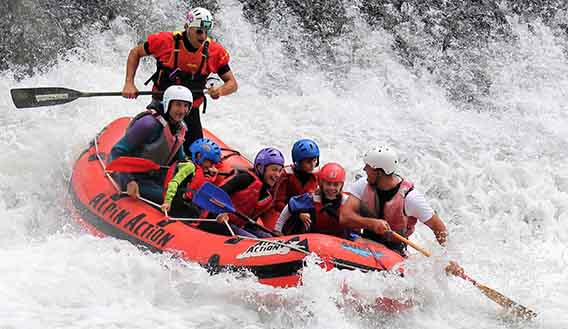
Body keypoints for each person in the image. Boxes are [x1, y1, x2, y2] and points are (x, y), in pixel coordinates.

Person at [122, 7, 238, 148]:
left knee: (194, 153)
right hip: (161, 106)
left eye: (206, 32)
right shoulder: (165, 41)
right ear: (187, 28)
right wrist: (129, 83)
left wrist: (220, 91)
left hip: (189, 111)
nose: (203, 36)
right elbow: (136, 52)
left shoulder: (214, 52)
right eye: (199, 31)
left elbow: (232, 83)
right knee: (151, 143)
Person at [340, 145, 463, 275]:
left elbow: (438, 227)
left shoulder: (411, 198)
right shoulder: (363, 184)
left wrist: (449, 259)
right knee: (356, 240)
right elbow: (345, 217)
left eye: (368, 167)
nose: (364, 169)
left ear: (379, 172)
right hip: (365, 243)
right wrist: (371, 223)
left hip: (394, 253)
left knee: (359, 242)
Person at [109, 85, 191, 203]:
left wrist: (198, 169)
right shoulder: (148, 124)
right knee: (173, 199)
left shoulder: (179, 127)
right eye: (178, 104)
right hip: (132, 176)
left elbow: (181, 159)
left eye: (186, 106)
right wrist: (129, 181)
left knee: (187, 194)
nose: (182, 110)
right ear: (168, 104)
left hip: (153, 176)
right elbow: (117, 151)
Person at [213, 147, 285, 238]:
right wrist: (221, 212)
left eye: (280, 171)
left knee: (269, 239)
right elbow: (217, 193)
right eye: (274, 170)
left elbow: (250, 222)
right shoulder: (245, 178)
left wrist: (272, 234)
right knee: (253, 240)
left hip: (236, 226)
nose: (278, 175)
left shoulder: (267, 195)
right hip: (217, 221)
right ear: (260, 168)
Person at [274, 162, 352, 239]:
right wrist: (278, 229)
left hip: (339, 242)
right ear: (321, 183)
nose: (331, 188)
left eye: (336, 185)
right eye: (328, 184)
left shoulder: (347, 201)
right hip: (314, 240)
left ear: (341, 185)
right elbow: (290, 206)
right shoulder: (312, 198)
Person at [265, 139, 320, 229]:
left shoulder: (316, 176)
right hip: (281, 212)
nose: (312, 165)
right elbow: (277, 203)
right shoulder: (285, 175)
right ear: (298, 162)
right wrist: (298, 213)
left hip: (303, 215)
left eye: (314, 160)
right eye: (308, 162)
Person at [160, 138, 222, 217]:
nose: (212, 166)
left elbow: (200, 184)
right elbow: (174, 183)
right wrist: (167, 202)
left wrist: (212, 176)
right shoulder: (189, 166)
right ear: (200, 156)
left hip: (186, 200)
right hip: (173, 200)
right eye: (211, 162)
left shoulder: (200, 168)